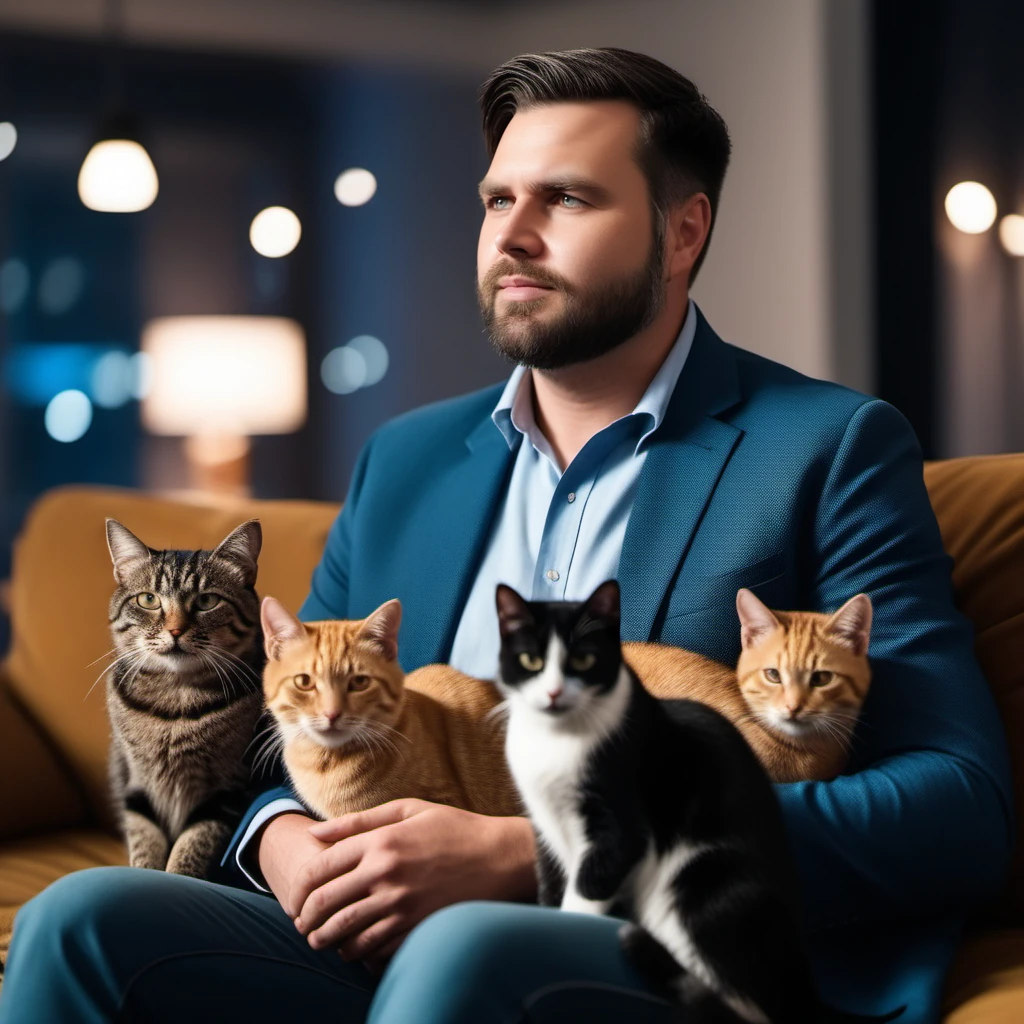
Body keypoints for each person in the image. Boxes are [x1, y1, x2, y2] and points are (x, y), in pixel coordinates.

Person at [0, 47, 1011, 1024]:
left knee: (465, 942)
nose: (511, 235)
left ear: (682, 231)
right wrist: (280, 843)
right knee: (78, 918)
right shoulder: (402, 458)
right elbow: (274, 726)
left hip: (668, 944)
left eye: (565, 198)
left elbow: (957, 804)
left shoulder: (829, 445)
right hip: (370, 936)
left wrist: (529, 851)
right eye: (497, 200)